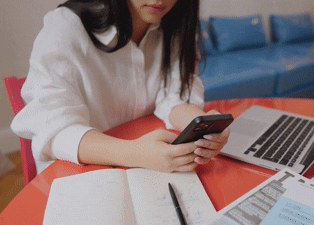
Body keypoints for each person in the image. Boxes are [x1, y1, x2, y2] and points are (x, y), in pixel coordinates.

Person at [11, 0, 230, 174]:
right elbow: (54, 130)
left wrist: (202, 125)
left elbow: (176, 97)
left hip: (147, 167)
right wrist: (136, 153)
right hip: (77, 174)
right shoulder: (66, 26)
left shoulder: (174, 27)